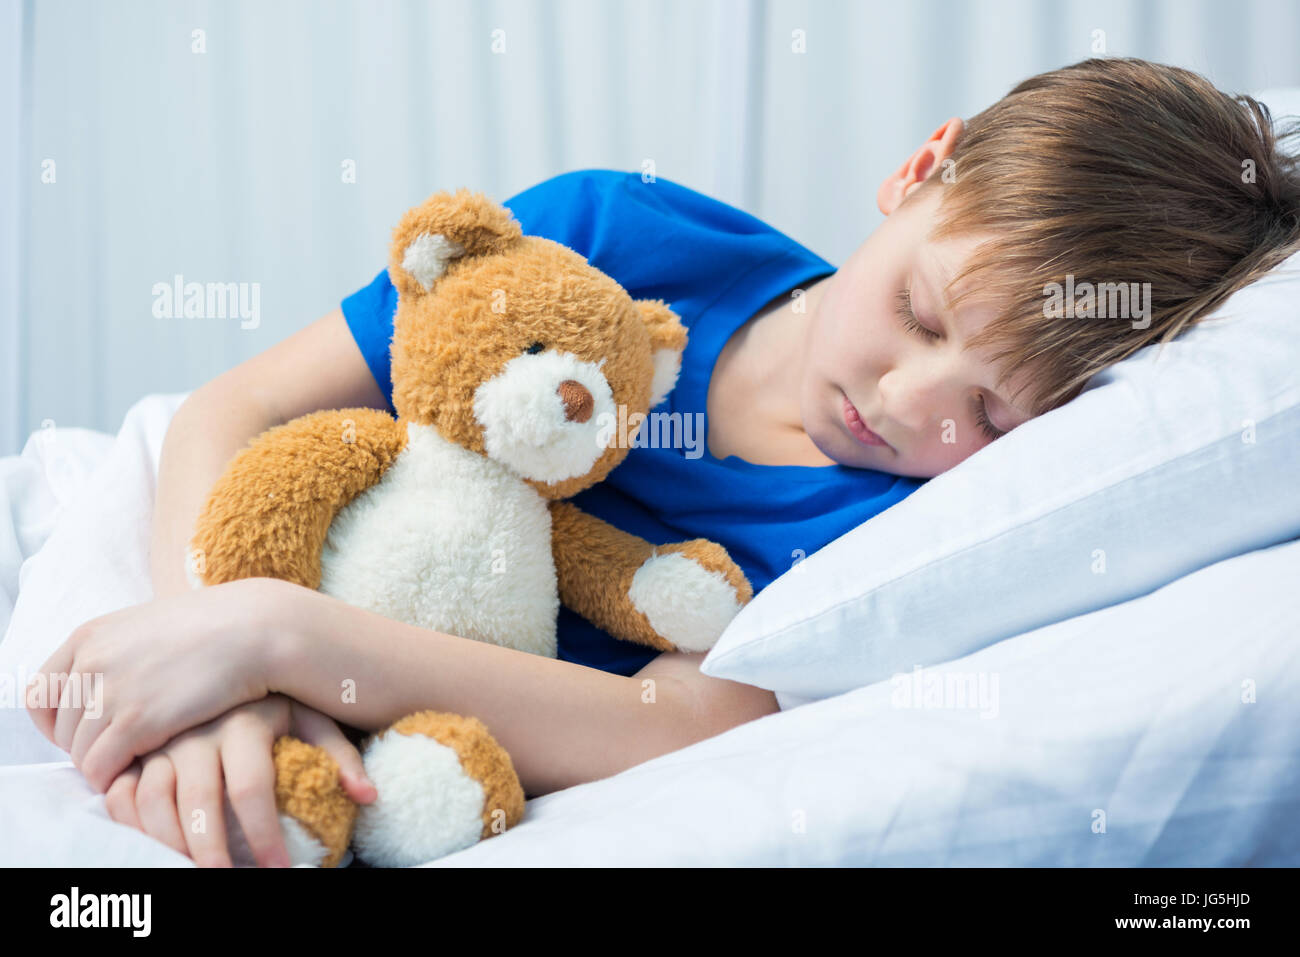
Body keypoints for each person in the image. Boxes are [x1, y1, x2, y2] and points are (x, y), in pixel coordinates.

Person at [27, 57, 1300, 867]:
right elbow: (238, 407)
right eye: (919, 315)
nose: (906, 408)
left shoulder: (888, 538)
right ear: (920, 170)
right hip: (259, 567)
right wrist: (214, 669)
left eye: (994, 416)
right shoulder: (618, 231)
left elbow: (673, 724)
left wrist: (284, 644)